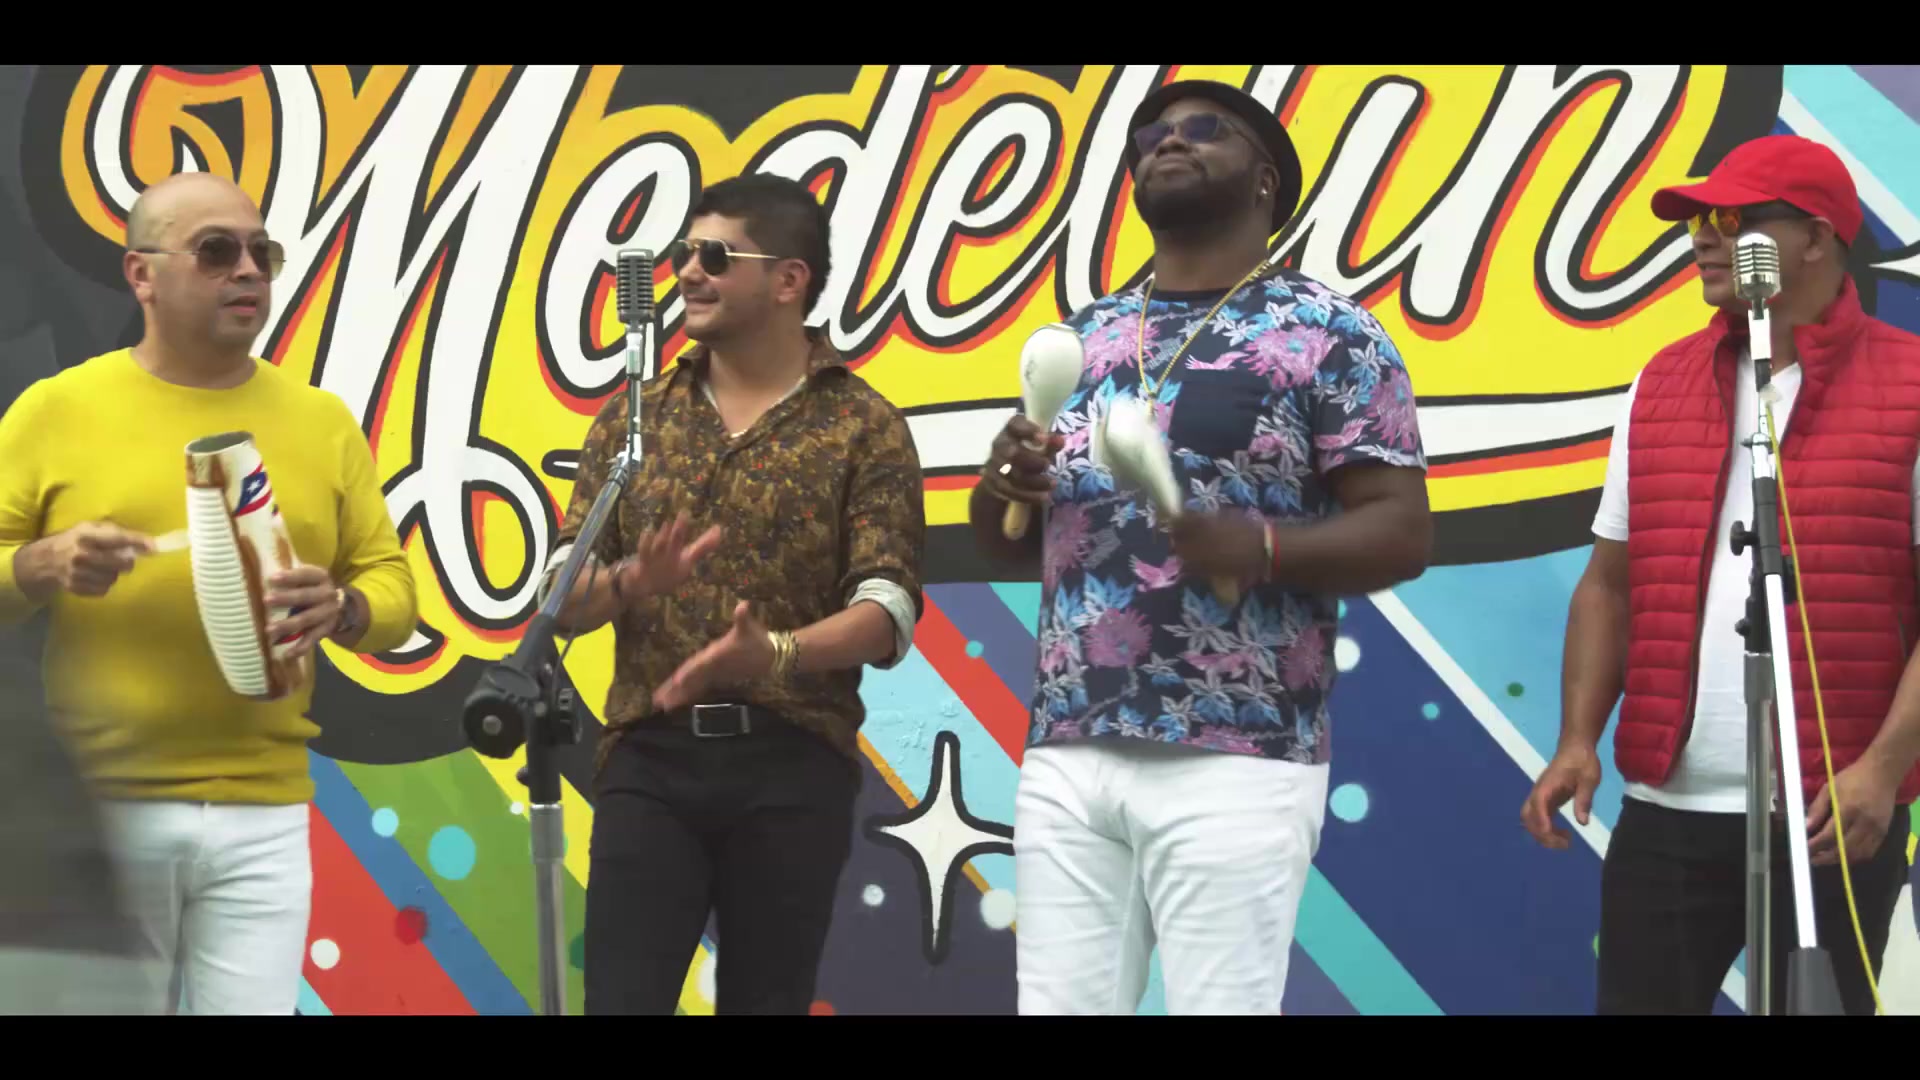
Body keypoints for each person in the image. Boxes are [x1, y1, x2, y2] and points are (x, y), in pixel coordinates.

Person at [971, 80, 1432, 1015]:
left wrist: (1258, 546)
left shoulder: (1330, 331)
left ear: (1265, 181)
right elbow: (1014, 546)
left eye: (1202, 130)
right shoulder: (1086, 337)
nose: (1167, 144)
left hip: (1240, 749)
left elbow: (1402, 530)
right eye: (1151, 136)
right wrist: (1001, 490)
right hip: (1072, 744)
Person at [1521, 134, 1920, 1016]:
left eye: (1733, 219)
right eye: (1698, 221)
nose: (1704, 237)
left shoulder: (1911, 384)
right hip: (1668, 806)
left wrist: (1883, 769)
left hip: (1832, 815)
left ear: (1815, 238)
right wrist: (1578, 737)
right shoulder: (1662, 382)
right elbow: (1609, 584)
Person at [0, 172, 417, 1014]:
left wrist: (346, 608)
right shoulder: (56, 410)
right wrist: (40, 565)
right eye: (217, 251)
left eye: (263, 252)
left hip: (265, 810)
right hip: (101, 809)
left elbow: (393, 587)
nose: (249, 271)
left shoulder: (322, 420)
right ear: (141, 275)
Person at [552, 173, 925, 1015]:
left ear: (789, 280)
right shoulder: (636, 418)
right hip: (649, 757)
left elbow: (888, 609)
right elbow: (559, 599)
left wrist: (779, 653)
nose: (688, 271)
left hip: (793, 762)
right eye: (685, 253)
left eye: (715, 256)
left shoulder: (864, 424)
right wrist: (628, 582)